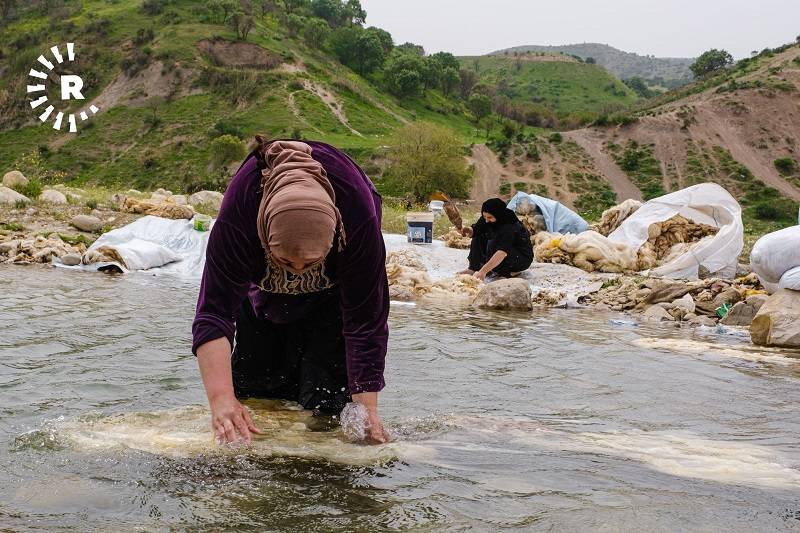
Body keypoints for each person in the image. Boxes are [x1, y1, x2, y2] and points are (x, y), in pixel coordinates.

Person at [192, 138, 390, 446]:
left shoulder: (357, 219)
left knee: (331, 406)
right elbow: (214, 312)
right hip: (264, 299)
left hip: (332, 301)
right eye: (285, 261)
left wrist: (367, 410)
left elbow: (366, 321)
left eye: (310, 262)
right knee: (256, 394)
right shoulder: (239, 217)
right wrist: (221, 400)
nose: (297, 271)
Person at [458, 198, 533, 280]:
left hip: (520, 258)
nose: (486, 220)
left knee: (493, 243)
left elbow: (502, 252)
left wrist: (483, 271)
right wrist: (468, 230)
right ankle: (473, 268)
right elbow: (476, 230)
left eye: (489, 218)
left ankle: (508, 272)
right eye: (484, 217)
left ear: (498, 215)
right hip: (503, 251)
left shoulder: (509, 225)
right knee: (478, 235)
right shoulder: (488, 218)